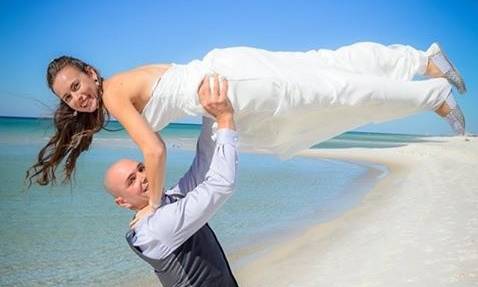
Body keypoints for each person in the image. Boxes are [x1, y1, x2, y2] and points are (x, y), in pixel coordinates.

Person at [27, 41, 467, 213]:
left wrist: (152, 207)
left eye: (77, 84)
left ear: (90, 70)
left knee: (334, 90)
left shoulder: (113, 94)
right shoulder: (114, 91)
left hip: (232, 86)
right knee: (327, 69)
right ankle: (421, 62)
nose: (77, 97)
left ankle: (433, 96)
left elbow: (155, 152)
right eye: (68, 96)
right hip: (226, 78)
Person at [103, 82, 241, 287]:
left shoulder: (169, 200)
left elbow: (204, 160)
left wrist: (209, 110)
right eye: (131, 181)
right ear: (123, 202)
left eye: (140, 169)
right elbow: (220, 185)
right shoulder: (155, 227)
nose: (143, 177)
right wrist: (226, 118)